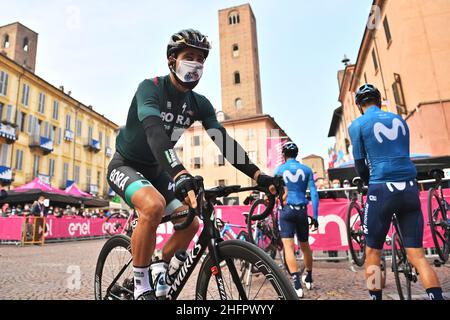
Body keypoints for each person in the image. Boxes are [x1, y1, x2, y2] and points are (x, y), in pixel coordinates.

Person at [107, 29, 278, 300]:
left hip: (158, 170)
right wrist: (180, 172)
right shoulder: (150, 88)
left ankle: (159, 268)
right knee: (153, 205)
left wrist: (259, 175)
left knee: (191, 222)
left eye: (201, 59)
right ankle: (141, 285)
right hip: (126, 164)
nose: (196, 64)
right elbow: (154, 132)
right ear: (171, 60)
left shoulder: (199, 104)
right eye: (189, 56)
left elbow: (224, 141)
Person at [348, 84, 444, 300]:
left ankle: (376, 298)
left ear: (358, 105)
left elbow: (361, 165)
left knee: (373, 251)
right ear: (380, 100)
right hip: (409, 187)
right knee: (418, 255)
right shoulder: (399, 119)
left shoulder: (357, 124)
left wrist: (368, 183)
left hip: (381, 188)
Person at [274, 142, 319, 298]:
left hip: (286, 210)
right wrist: (315, 216)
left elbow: (274, 191)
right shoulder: (306, 169)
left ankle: (296, 283)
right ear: (297, 154)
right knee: (305, 246)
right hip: (302, 210)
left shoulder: (279, 169)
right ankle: (309, 277)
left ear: (284, 155)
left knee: (288, 247)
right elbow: (314, 193)